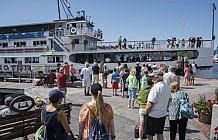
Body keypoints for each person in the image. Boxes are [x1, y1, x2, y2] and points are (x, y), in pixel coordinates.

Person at [145, 71, 172, 140]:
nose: (152, 79)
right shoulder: (166, 86)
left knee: (150, 134)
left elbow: (150, 103)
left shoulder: (155, 88)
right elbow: (170, 99)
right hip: (163, 113)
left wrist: (146, 112)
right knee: (160, 133)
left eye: (153, 77)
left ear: (157, 78)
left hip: (153, 114)